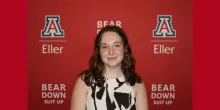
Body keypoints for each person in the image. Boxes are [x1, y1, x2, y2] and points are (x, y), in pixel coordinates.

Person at [70, 26, 149, 110]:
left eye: (116, 45)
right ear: (98, 51)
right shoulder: (85, 81)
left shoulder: (137, 83)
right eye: (104, 46)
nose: (111, 52)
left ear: (125, 48)